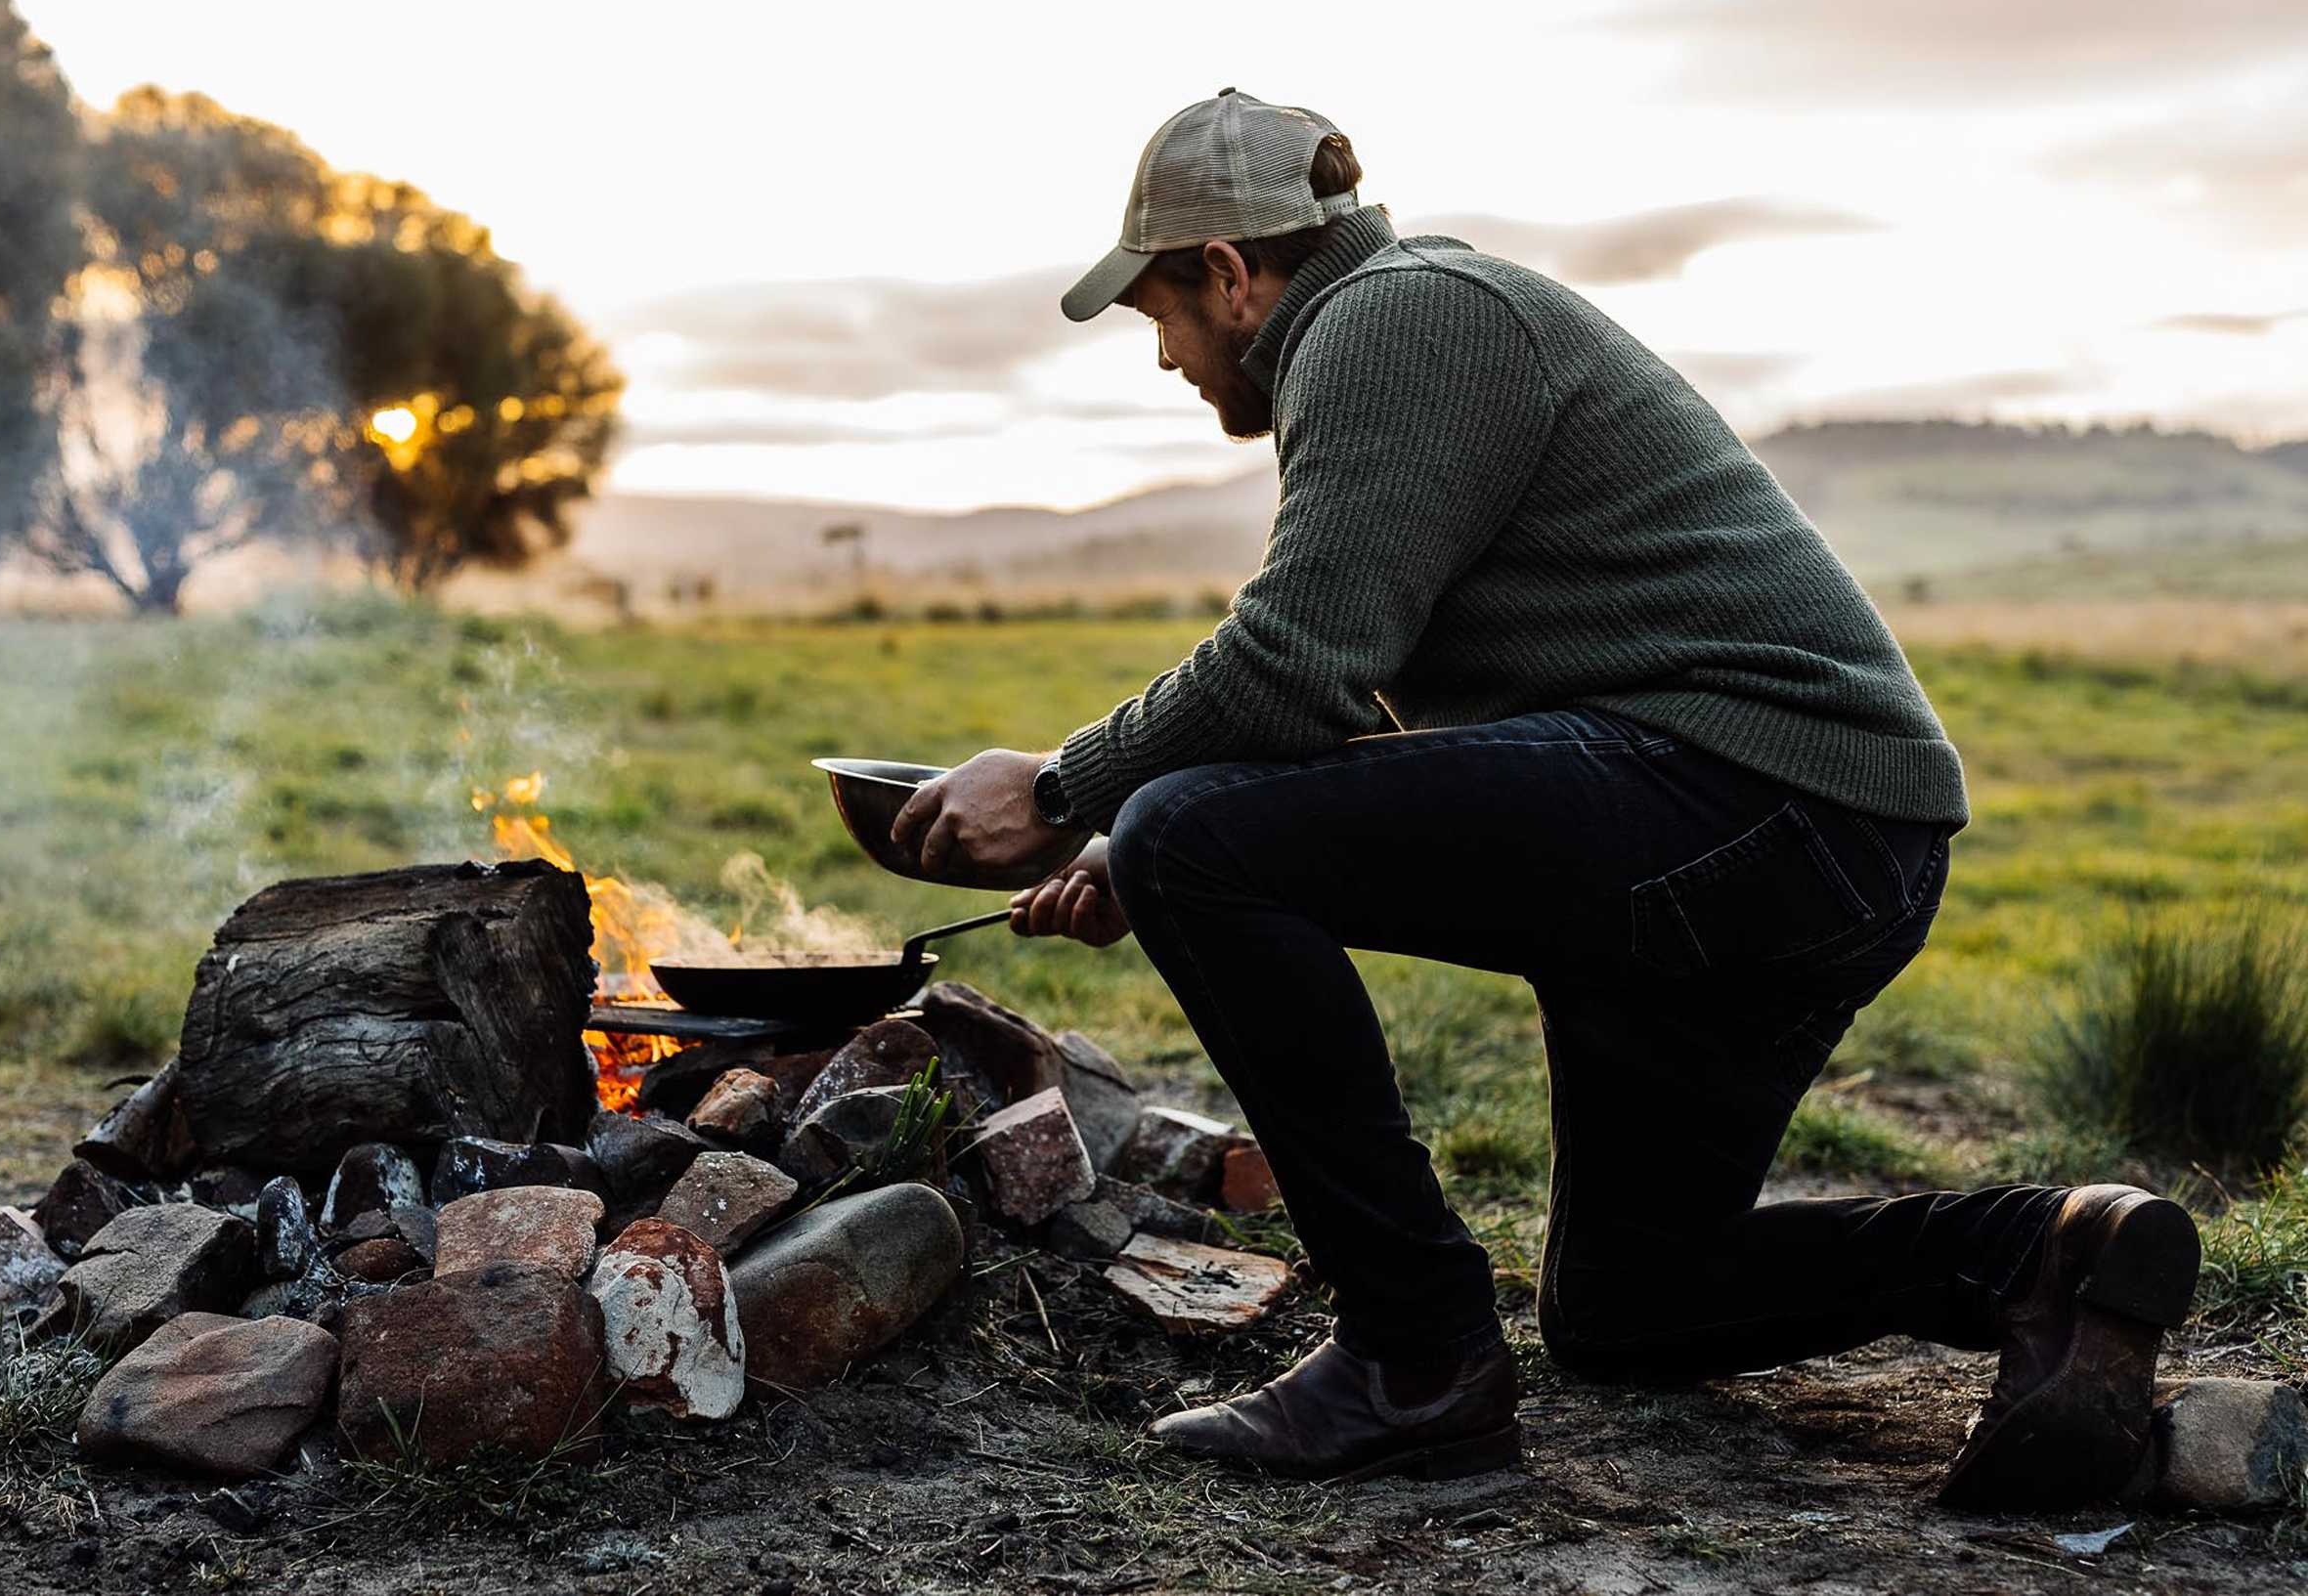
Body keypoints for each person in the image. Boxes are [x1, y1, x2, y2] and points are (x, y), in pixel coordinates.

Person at [889, 89, 2199, 1503]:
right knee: (1633, 1304)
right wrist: (1154, 844)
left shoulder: (1392, 319)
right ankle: (2038, 1251)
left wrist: (1069, 788)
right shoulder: (1411, 329)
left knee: (1186, 828)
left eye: (1162, 313)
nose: (1163, 357)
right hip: (1801, 839)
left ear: (1231, 272)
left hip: (1757, 805)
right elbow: (1358, 700)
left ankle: (1413, 1358)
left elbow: (1290, 667)